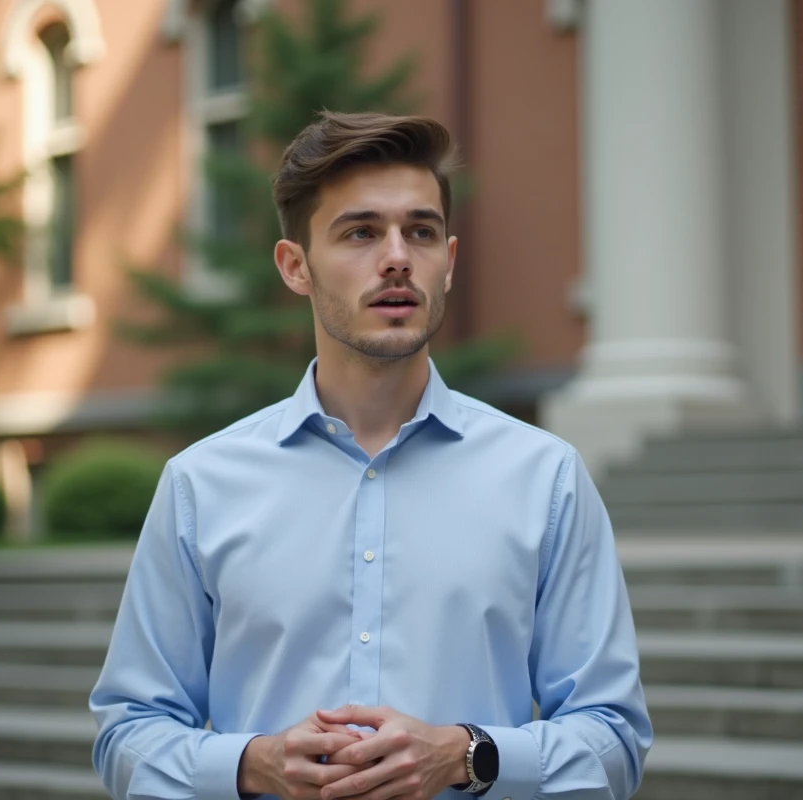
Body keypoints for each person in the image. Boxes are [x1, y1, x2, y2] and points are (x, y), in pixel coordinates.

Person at [90, 111, 652, 800]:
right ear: (295, 267)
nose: (396, 257)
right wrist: (253, 764)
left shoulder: (547, 480)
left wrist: (465, 754)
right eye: (360, 232)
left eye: (419, 231)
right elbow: (127, 731)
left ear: (447, 260)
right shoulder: (200, 486)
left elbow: (615, 738)